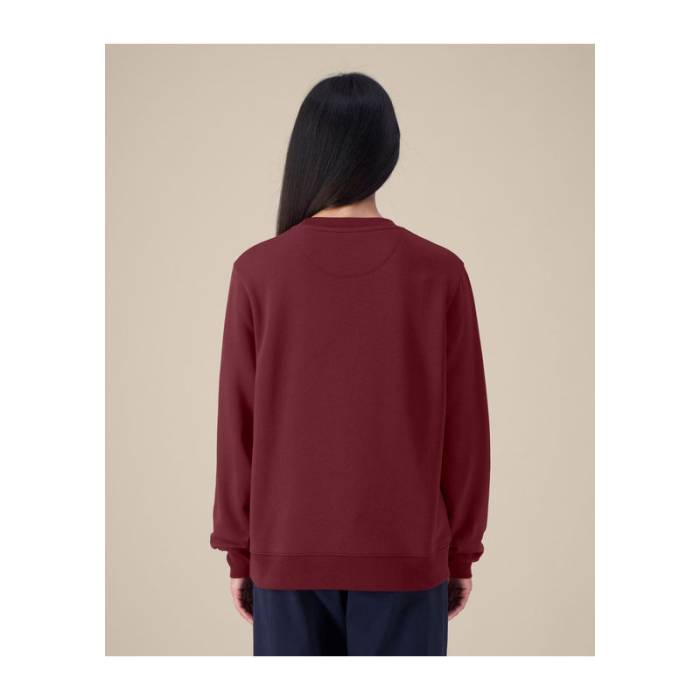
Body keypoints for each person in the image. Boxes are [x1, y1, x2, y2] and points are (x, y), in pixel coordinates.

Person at [210, 72, 490, 656]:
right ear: (388, 153)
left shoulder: (258, 272)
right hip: (406, 557)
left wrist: (241, 550)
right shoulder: (439, 272)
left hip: (287, 554)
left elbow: (237, 424)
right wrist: (460, 550)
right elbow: (466, 429)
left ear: (308, 151)